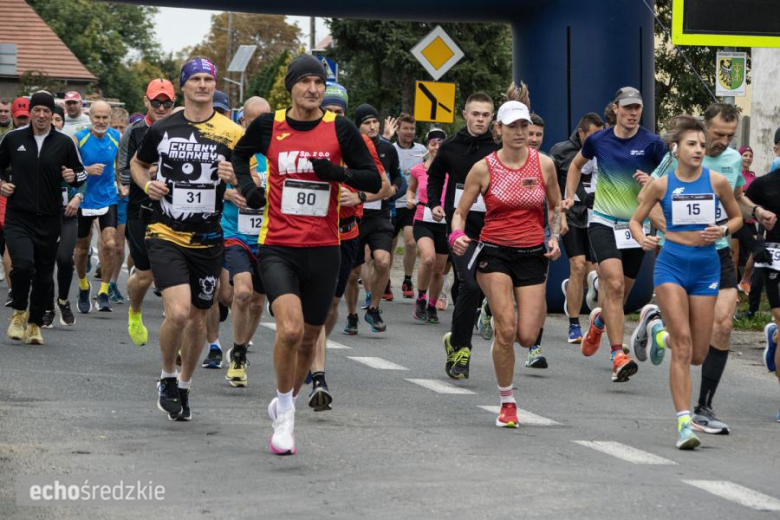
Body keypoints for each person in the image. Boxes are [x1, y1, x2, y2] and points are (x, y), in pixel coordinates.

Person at [232, 54, 381, 455]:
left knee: (311, 336)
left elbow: (372, 177)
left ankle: (286, 400)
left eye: (319, 82)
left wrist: (339, 174)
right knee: (291, 329)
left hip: (324, 247)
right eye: (306, 82)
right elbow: (237, 156)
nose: (313, 89)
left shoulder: (340, 129)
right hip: (278, 245)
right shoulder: (270, 125)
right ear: (291, 86)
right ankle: (285, 413)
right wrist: (249, 191)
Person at [632, 103, 777, 434]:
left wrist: (756, 211)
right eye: (717, 134)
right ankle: (692, 410)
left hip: (717, 254)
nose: (723, 142)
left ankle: (703, 404)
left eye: (729, 136)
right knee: (694, 341)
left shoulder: (731, 162)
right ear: (703, 128)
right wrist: (668, 231)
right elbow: (648, 197)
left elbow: (736, 196)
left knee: (720, 328)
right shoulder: (677, 157)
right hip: (676, 254)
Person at [131, 57, 244, 422]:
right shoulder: (164, 128)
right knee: (178, 312)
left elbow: (251, 182)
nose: (202, 85)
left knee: (198, 319)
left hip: (209, 237)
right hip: (166, 231)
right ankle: (166, 376)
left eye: (208, 79)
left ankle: (185, 384)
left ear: (214, 85)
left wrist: (236, 177)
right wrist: (148, 185)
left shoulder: (232, 132)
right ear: (184, 86)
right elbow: (137, 163)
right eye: (194, 79)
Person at [629, 115, 742, 449]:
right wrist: (643, 239)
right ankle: (684, 424)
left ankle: (654, 330)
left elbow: (736, 217)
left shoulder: (717, 181)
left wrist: (722, 230)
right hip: (672, 265)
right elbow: (636, 220)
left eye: (702, 145)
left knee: (697, 353)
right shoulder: (662, 185)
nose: (699, 149)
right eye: (692, 144)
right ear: (675, 149)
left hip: (707, 268)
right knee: (682, 345)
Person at [450, 99, 562, 428]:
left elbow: (555, 207)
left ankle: (499, 326)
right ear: (498, 130)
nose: (519, 132)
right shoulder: (484, 168)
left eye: (524, 126)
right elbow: (461, 211)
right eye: (512, 126)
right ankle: (507, 401)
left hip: (531, 254)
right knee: (507, 330)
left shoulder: (544, 165)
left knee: (527, 336)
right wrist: (456, 235)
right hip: (494, 252)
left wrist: (553, 236)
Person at [564, 86, 666, 383]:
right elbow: (575, 166)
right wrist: (570, 195)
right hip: (604, 222)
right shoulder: (598, 139)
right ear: (616, 109)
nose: (633, 113)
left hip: (635, 225)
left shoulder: (652, 143)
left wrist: (653, 180)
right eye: (628, 108)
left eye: (638, 108)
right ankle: (618, 355)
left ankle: (598, 322)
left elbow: (669, 177)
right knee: (615, 285)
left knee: (618, 297)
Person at [307, 82, 389, 409]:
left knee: (329, 307)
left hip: (345, 232)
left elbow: (385, 186)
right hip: (309, 233)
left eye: (339, 112)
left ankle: (313, 349)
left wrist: (359, 195)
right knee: (314, 304)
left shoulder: (359, 143)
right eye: (327, 111)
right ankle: (317, 374)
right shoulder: (301, 139)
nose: (332, 117)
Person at [0, 91, 85, 344]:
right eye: (37, 110)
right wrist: (1, 183)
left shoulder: (65, 142)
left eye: (46, 111)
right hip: (18, 215)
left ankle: (35, 323)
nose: (41, 115)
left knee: (45, 274)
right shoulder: (13, 139)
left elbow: (81, 175)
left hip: (49, 217)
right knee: (23, 265)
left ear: (52, 114)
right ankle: (18, 314)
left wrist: (73, 178)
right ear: (31, 112)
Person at [427, 91, 501, 379]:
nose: (480, 119)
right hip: (461, 228)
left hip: (494, 228)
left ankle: (455, 336)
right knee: (468, 286)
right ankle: (461, 349)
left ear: (491, 118)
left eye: (485, 115)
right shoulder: (451, 147)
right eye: (476, 114)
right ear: (465, 115)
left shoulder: (498, 147)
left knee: (474, 288)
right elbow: (435, 177)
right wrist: (434, 204)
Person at [219, 96, 272, 387]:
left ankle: (240, 348)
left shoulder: (279, 153)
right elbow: (210, 184)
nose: (263, 127)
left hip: (268, 235)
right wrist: (226, 193)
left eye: (267, 120)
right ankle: (238, 353)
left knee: (257, 302)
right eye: (255, 121)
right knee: (241, 293)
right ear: (243, 122)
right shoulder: (233, 150)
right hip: (235, 232)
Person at [119, 78, 176, 346]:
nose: (161, 107)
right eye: (157, 102)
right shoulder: (134, 132)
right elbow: (123, 172)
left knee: (172, 275)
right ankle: (135, 311)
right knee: (144, 276)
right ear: (146, 101)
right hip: (141, 210)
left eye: (167, 102)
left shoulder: (181, 130)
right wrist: (150, 174)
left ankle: (175, 332)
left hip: (175, 212)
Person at [343, 103, 401, 333]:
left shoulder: (388, 149)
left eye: (375, 121)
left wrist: (395, 188)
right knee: (352, 273)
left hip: (380, 215)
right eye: (367, 123)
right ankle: (351, 315)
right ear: (358, 128)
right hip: (355, 217)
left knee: (383, 261)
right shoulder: (350, 149)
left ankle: (374, 308)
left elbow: (397, 177)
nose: (373, 126)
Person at [551, 113, 604, 343]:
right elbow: (552, 186)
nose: (596, 141)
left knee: (594, 274)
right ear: (581, 133)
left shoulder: (604, 150)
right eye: (592, 136)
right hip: (572, 216)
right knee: (578, 266)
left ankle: (573, 292)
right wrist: (558, 215)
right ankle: (574, 324)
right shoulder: (561, 151)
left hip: (596, 216)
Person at [72, 100, 121, 313]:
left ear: (110, 118)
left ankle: (103, 291)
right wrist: (87, 169)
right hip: (83, 197)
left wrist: (121, 184)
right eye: (97, 117)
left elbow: (120, 165)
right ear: (89, 117)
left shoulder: (116, 137)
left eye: (105, 117)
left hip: (108, 197)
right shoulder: (79, 139)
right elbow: (68, 170)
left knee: (110, 243)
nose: (101, 121)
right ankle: (83, 285)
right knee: (82, 248)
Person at [41, 103, 84, 328]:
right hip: (44, 214)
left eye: (59, 120)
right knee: (45, 263)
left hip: (67, 212)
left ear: (62, 123)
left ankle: (63, 300)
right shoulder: (35, 146)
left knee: (64, 258)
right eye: (52, 119)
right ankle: (48, 306)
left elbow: (83, 175)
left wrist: (78, 197)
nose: (55, 123)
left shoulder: (67, 145)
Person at [744, 165, 780, 421]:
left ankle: (775, 337)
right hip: (775, 257)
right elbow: (737, 211)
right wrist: (756, 245)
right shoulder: (764, 184)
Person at [408, 128, 448, 323]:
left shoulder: (452, 171)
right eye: (433, 143)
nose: (437, 147)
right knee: (428, 258)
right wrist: (410, 200)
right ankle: (421, 299)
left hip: (445, 221)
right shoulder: (418, 169)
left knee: (439, 269)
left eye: (441, 143)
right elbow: (411, 189)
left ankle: (432, 305)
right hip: (423, 218)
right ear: (427, 145)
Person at [385, 113, 426, 299]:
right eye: (405, 128)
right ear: (398, 130)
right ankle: (386, 282)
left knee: (410, 242)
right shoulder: (390, 149)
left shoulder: (421, 150)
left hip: (412, 203)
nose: (409, 132)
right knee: (390, 245)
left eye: (412, 129)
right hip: (393, 203)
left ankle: (407, 279)